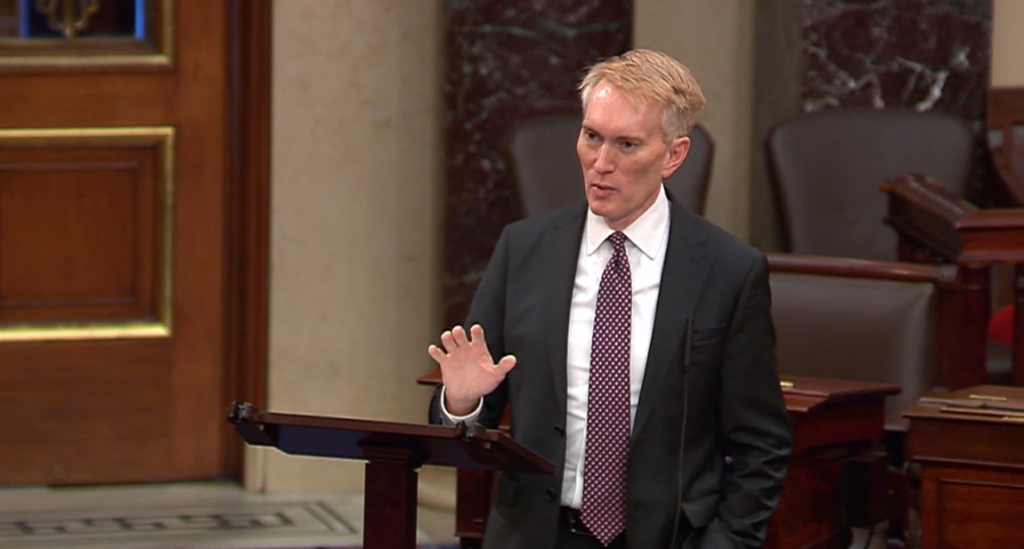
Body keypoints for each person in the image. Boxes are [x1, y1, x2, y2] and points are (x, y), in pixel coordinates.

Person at [428, 49, 791, 549]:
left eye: (626, 144)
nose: (601, 163)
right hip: (536, 535)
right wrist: (462, 403)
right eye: (592, 136)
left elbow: (761, 445)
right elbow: (470, 422)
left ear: (673, 155)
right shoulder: (524, 250)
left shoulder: (728, 271)